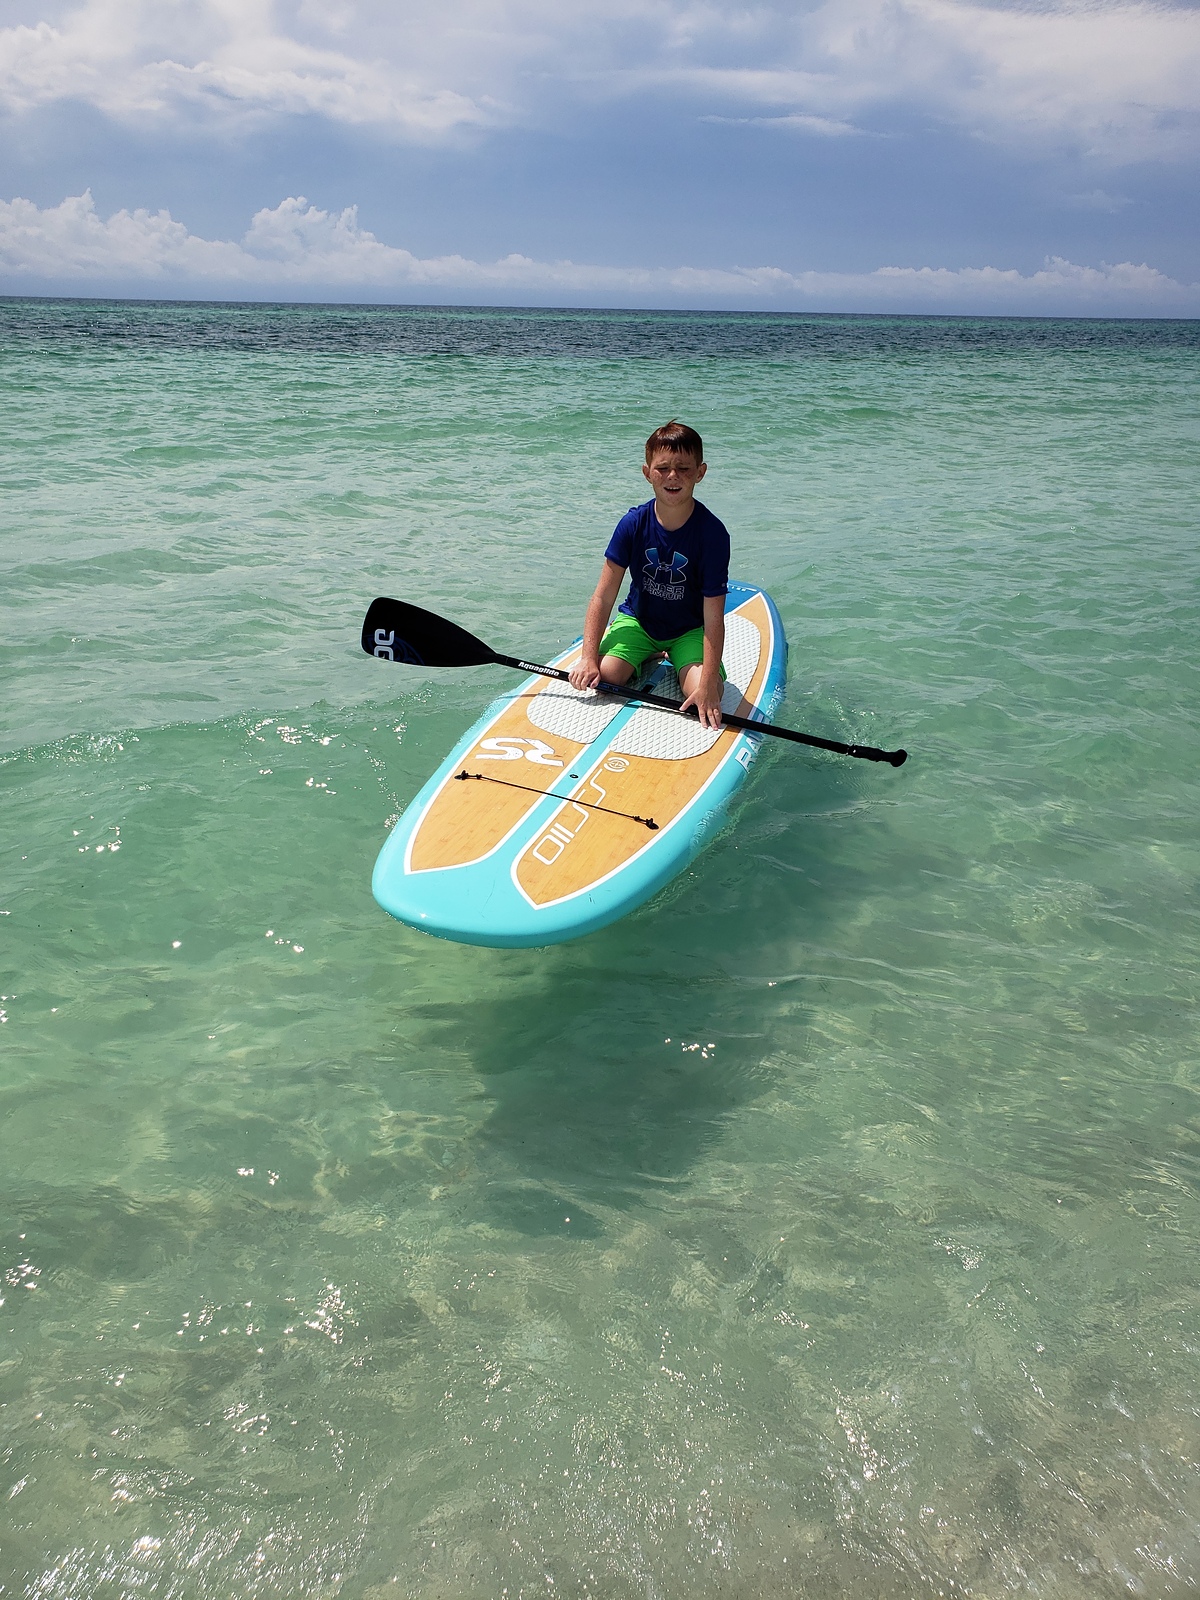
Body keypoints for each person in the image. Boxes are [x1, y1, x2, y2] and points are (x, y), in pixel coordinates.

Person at [568, 421, 730, 729]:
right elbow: (603, 596)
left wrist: (709, 683)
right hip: (639, 622)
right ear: (647, 473)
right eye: (663, 468)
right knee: (605, 679)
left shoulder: (712, 534)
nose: (673, 476)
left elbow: (713, 617)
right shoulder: (632, 525)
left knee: (701, 692)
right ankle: (647, 653)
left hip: (689, 630)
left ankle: (682, 660)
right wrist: (587, 657)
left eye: (684, 468)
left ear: (700, 472)